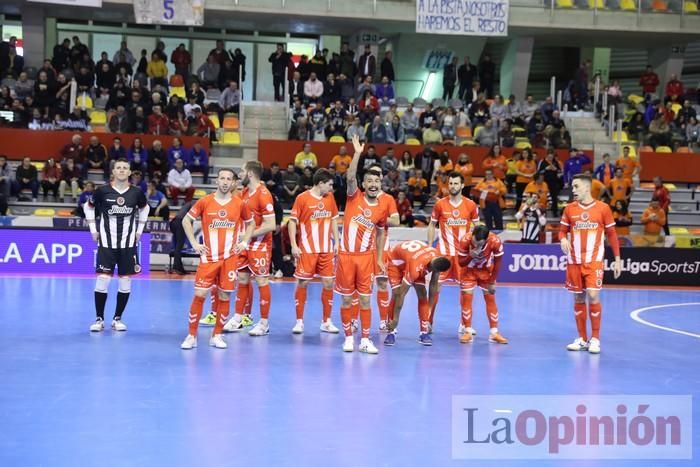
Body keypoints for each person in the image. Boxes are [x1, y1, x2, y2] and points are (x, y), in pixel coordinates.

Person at [336, 135, 399, 354]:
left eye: (377, 182)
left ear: (380, 185)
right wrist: (357, 153)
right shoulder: (353, 197)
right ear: (363, 184)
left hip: (365, 258)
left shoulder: (382, 208)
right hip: (345, 256)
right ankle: (348, 339)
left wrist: (380, 258)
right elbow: (350, 175)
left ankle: (364, 339)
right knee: (346, 299)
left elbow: (381, 233)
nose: (373, 184)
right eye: (369, 181)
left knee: (365, 299)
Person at [180, 169, 255, 350]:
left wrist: (244, 242)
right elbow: (185, 220)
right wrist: (194, 244)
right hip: (209, 258)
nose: (225, 182)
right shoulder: (205, 201)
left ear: (233, 183)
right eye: (222, 178)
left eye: (229, 179)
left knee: (224, 296)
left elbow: (252, 223)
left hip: (230, 259)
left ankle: (217, 335)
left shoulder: (239, 204)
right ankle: (191, 335)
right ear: (216, 181)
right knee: (199, 295)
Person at [84, 158, 148, 333]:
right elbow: (88, 206)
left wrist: (139, 230)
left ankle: (117, 319)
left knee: (125, 281)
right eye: (118, 168)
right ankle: (99, 319)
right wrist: (92, 229)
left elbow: (145, 208)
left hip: (128, 244)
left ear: (129, 172)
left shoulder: (136, 192)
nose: (121, 170)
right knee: (102, 280)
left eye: (125, 168)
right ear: (113, 172)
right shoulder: (102, 191)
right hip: (106, 243)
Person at [560, 174, 622, 354]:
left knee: (593, 296)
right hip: (574, 261)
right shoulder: (569, 209)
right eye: (572, 187)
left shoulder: (603, 208)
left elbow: (612, 235)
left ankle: (595, 339)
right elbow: (562, 231)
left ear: (587, 188)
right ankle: (582, 339)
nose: (573, 190)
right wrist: (563, 239)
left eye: (576, 187)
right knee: (579, 298)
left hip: (594, 260)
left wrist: (618, 260)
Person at [223, 161, 277, 336]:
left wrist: (248, 236)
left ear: (250, 174)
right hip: (245, 245)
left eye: (242, 172)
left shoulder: (264, 194)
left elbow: (271, 225)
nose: (240, 175)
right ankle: (238, 318)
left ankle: (264, 323)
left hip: (259, 245)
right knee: (243, 279)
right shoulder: (245, 192)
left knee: (262, 281)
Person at [288, 168, 341, 334]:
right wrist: (293, 245)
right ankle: (299, 321)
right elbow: (292, 222)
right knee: (303, 282)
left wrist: (337, 242)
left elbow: (333, 220)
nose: (331, 188)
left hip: (326, 249)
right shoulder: (302, 198)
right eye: (330, 185)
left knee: (328, 283)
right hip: (308, 249)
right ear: (320, 183)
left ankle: (326, 321)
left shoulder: (330, 198)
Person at [427, 172, 479, 334]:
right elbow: (431, 225)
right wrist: (429, 247)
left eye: (456, 183)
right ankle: (428, 321)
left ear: (462, 185)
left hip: (463, 255)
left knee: (465, 290)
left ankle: (465, 323)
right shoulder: (440, 204)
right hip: (443, 254)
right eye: (450, 183)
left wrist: (476, 248)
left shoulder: (471, 205)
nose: (453, 186)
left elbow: (477, 228)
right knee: (435, 289)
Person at [383, 241, 451, 346]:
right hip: (396, 261)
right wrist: (396, 319)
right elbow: (402, 294)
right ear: (431, 267)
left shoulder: (438, 258)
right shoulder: (416, 267)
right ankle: (391, 331)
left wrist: (429, 308)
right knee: (396, 294)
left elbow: (433, 285)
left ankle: (424, 332)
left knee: (422, 294)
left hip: (412, 258)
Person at [456, 225, 508, 344]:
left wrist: (492, 281)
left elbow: (498, 263)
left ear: (486, 240)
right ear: (472, 234)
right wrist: (471, 256)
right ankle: (467, 331)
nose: (476, 245)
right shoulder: (465, 240)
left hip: (486, 271)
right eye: (474, 241)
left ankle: (494, 332)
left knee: (490, 298)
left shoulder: (495, 242)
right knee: (467, 298)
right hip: (468, 271)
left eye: (479, 244)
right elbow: (461, 263)